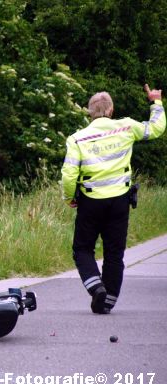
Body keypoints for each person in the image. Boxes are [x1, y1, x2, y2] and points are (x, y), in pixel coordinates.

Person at [61, 84, 165, 314]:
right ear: (111, 110)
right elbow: (156, 129)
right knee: (114, 252)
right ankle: (107, 301)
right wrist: (156, 102)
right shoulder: (126, 126)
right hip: (120, 200)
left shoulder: (77, 138)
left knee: (82, 249)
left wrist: (70, 196)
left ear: (89, 112)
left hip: (90, 201)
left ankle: (96, 287)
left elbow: (68, 174)